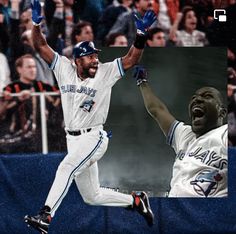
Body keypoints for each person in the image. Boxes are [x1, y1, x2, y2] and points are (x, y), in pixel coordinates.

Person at [24, 0, 157, 233]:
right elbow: (40, 44)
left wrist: (141, 34)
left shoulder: (105, 72)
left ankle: (46, 215)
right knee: (92, 196)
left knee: (65, 168)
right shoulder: (64, 68)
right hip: (72, 139)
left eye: (96, 55)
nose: (95, 59)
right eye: (89, 56)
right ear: (77, 60)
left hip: (93, 136)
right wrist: (36, 23)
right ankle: (136, 201)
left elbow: (131, 59)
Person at [133, 65, 227, 197]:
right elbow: (157, 110)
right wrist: (142, 82)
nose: (197, 100)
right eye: (194, 97)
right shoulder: (185, 135)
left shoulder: (225, 134)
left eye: (207, 96)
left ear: (222, 112)